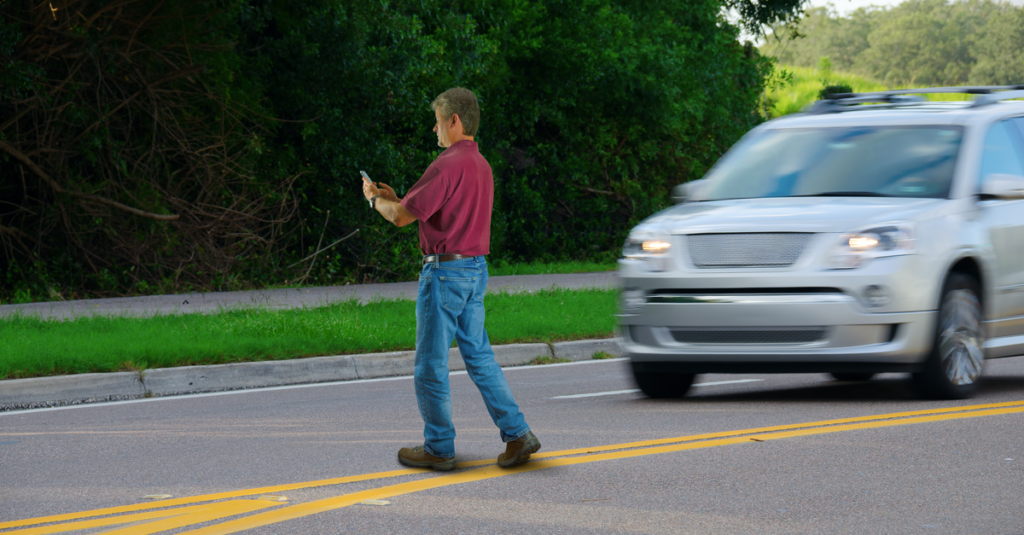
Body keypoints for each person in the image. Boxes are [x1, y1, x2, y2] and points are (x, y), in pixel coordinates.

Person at [359, 87, 540, 471]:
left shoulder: (446, 163)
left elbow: (400, 218)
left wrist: (375, 199)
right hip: (475, 270)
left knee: (430, 364)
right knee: (480, 357)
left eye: (438, 122)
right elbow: (424, 208)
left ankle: (439, 447)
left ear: (454, 121)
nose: (435, 130)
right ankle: (517, 433)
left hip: (444, 273)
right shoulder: (481, 166)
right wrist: (397, 197)